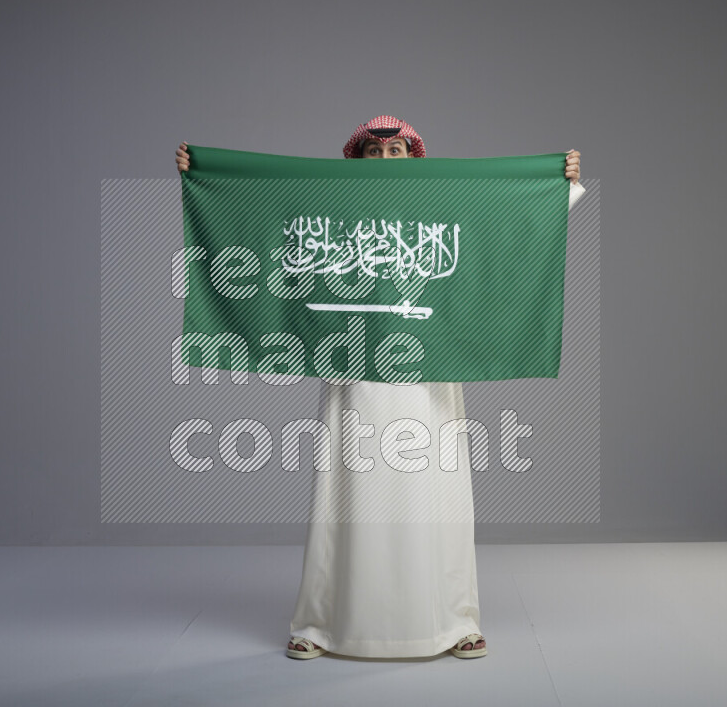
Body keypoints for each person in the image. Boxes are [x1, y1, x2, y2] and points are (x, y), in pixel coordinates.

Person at [175, 116, 584, 660]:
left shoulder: (442, 204)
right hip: (354, 370)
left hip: (432, 370)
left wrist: (560, 185)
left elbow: (506, 222)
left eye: (397, 151)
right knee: (346, 493)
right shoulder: (331, 211)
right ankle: (320, 623)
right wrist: (206, 178)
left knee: (436, 493)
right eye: (375, 152)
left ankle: (457, 620)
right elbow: (264, 220)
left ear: (414, 160)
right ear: (357, 162)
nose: (386, 161)